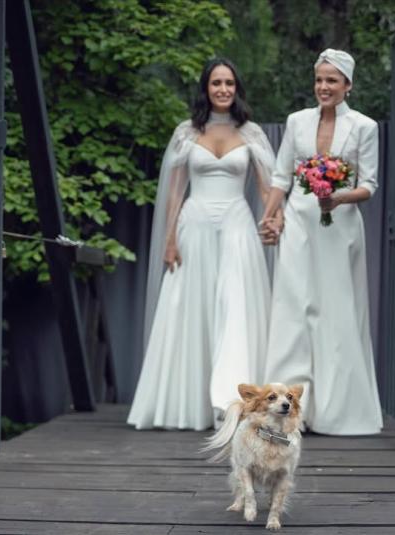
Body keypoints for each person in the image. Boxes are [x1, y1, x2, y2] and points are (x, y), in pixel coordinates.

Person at [127, 58, 276, 431]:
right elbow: (175, 192)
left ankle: (234, 400)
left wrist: (272, 220)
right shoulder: (187, 133)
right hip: (194, 224)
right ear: (206, 88)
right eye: (215, 83)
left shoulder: (252, 133)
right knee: (190, 306)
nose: (223, 89)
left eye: (228, 83)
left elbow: (266, 187)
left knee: (235, 307)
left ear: (236, 87)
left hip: (237, 226)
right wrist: (169, 239)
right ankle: (187, 403)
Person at [259, 49, 383, 435]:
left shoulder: (364, 126)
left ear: (348, 85)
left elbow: (369, 186)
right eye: (319, 79)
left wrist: (339, 197)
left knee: (336, 312)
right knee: (294, 307)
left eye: (332, 80)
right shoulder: (296, 122)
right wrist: (272, 215)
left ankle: (337, 411)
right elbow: (281, 176)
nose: (324, 87)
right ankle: (287, 411)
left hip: (340, 228)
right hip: (299, 222)